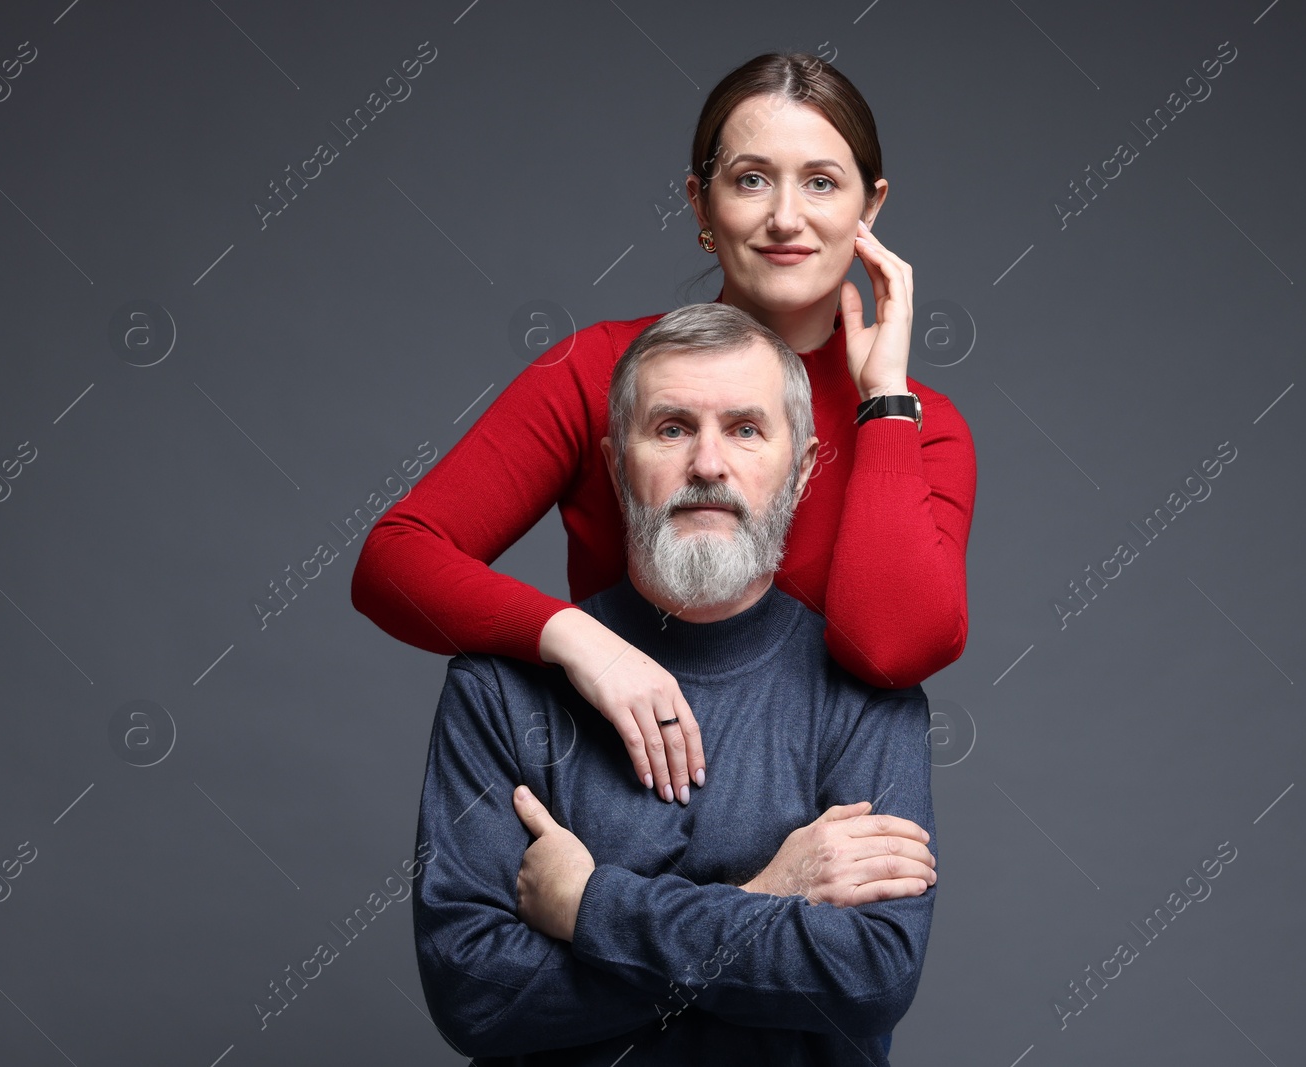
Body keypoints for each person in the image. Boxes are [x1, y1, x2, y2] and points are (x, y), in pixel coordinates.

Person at [353, 51, 975, 809]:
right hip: (620, 798)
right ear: (700, 203)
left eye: (821, 181)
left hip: (814, 826)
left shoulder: (918, 427)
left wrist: (882, 399)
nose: (786, 216)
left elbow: (892, 647)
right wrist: (583, 643)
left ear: (869, 208)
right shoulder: (600, 373)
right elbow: (393, 562)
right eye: (750, 179)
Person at [412, 304, 937, 1065]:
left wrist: (591, 906)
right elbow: (478, 997)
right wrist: (765, 897)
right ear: (618, 462)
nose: (708, 464)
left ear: (804, 467)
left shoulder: (868, 689)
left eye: (746, 429)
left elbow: (868, 977)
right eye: (671, 428)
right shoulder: (499, 689)